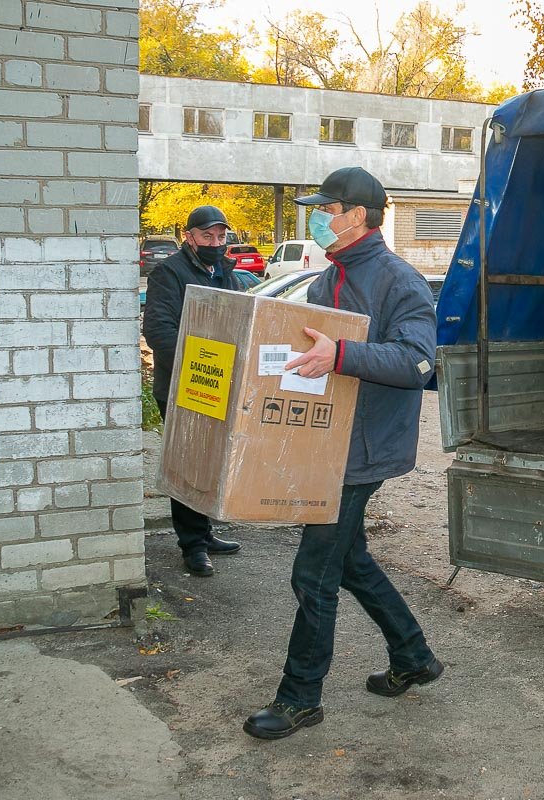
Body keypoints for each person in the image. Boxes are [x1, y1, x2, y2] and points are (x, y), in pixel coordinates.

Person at [243, 167, 442, 741]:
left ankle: (300, 697)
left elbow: (418, 363)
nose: (317, 217)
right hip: (326, 444)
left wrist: (341, 354)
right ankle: (413, 656)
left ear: (357, 216)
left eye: (325, 208)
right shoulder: (321, 283)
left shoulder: (399, 282)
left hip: (363, 451)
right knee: (349, 562)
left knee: (314, 572)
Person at [141, 205, 244, 577]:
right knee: (186, 469)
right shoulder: (170, 273)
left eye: (221, 237)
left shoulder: (226, 273)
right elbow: (159, 333)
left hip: (218, 387)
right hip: (182, 386)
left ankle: (205, 532)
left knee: (211, 464)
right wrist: (201, 362)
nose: (215, 243)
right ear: (190, 237)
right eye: (207, 237)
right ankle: (192, 546)